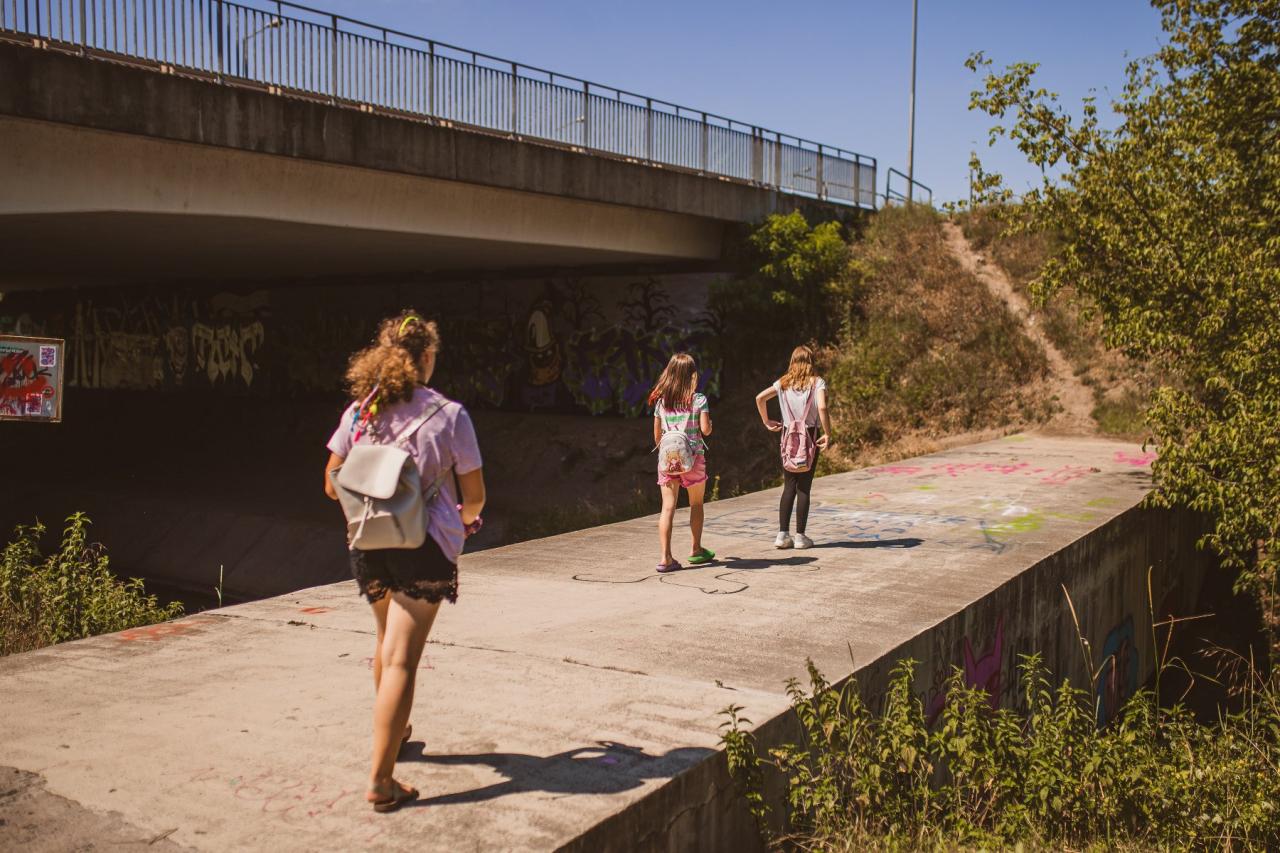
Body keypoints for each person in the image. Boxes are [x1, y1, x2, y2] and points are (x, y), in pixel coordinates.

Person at [323, 312, 485, 813]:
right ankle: (381, 779)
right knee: (401, 660)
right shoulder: (449, 415)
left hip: (368, 545)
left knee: (383, 644)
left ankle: (397, 734)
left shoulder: (360, 413)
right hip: (424, 547)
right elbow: (475, 497)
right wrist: (464, 517)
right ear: (427, 357)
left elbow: (332, 483)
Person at [755, 345, 831, 549]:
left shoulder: (783, 383)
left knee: (789, 485)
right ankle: (800, 536)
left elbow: (759, 398)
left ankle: (782, 534)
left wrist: (766, 421)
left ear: (792, 361)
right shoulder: (818, 383)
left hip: (787, 438)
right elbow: (822, 406)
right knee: (804, 486)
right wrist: (828, 432)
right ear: (811, 361)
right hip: (810, 437)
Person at [649, 352, 715, 573]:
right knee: (696, 504)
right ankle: (696, 550)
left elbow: (657, 438)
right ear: (691, 375)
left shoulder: (661, 402)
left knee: (667, 508)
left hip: (667, 461)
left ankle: (665, 557)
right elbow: (705, 430)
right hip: (693, 459)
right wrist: (709, 423)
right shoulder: (699, 400)